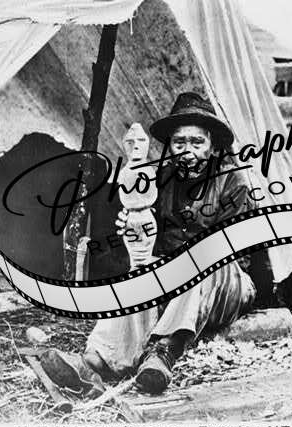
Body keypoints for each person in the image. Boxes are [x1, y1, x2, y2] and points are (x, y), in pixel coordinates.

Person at [41, 92, 258, 397]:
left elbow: (229, 250)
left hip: (227, 282)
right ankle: (94, 361)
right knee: (140, 273)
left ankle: (164, 351)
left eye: (197, 142)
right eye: (179, 143)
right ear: (170, 146)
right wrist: (133, 228)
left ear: (212, 146)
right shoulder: (160, 180)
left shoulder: (233, 182)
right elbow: (148, 238)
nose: (187, 151)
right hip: (175, 282)